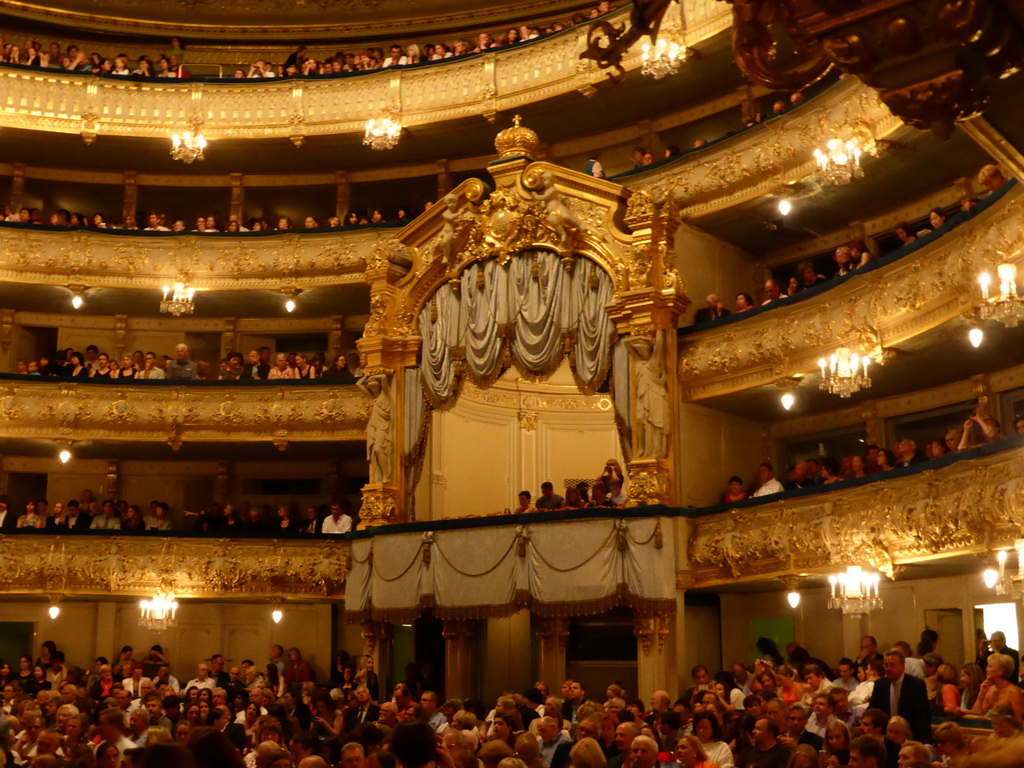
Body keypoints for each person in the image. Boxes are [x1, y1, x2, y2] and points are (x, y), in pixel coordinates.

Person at [867, 649, 931, 743]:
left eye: (892, 665)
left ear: (903, 666)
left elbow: (923, 717)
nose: (888, 668)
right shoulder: (880, 685)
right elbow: (872, 710)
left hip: (909, 737)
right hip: (886, 737)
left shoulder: (916, 685)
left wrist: (926, 743)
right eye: (886, 665)